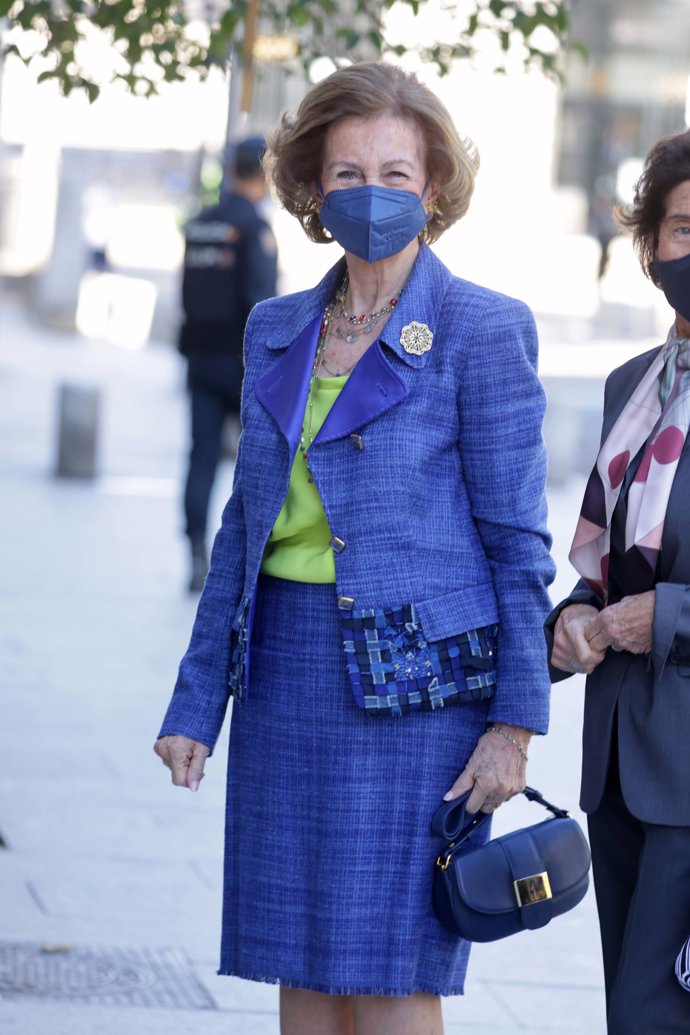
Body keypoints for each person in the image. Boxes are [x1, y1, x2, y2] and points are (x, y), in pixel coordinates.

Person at [155, 61, 555, 1035]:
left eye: (395, 174)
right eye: (346, 173)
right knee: (300, 962)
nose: (370, 194)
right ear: (312, 187)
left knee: (390, 970)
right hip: (288, 679)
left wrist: (513, 728)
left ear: (436, 188)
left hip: (420, 700)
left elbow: (518, 546)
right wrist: (196, 702)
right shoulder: (276, 329)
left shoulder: (481, 329)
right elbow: (244, 529)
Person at [547, 128, 690, 1034]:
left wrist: (661, 616)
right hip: (620, 764)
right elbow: (606, 562)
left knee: (654, 1013)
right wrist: (576, 618)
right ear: (650, 245)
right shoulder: (631, 384)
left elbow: (653, 597)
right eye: (683, 228)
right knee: (629, 1011)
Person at [179, 135, 278, 591]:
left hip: (200, 357)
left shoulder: (200, 223)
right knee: (262, 461)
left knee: (200, 457)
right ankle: (253, 559)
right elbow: (261, 303)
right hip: (242, 367)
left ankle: (196, 554)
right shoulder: (254, 228)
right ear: (263, 173)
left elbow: (187, 295)